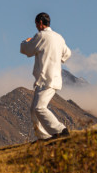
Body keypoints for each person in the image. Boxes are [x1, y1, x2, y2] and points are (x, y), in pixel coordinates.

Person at [20, 12, 72, 140]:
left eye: (37, 24)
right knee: (34, 110)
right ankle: (43, 137)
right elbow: (67, 53)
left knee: (39, 108)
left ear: (40, 23)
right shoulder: (59, 38)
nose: (37, 27)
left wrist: (25, 41)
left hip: (45, 79)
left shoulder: (41, 36)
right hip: (54, 78)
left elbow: (26, 49)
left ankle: (60, 130)